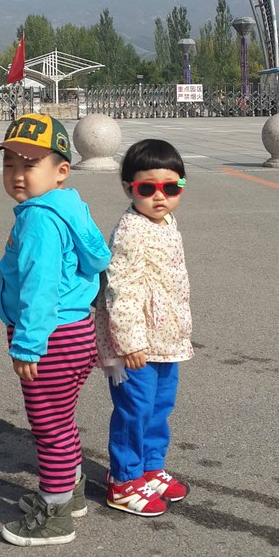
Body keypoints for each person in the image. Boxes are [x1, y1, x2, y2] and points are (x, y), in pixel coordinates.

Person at [0, 112, 111, 547]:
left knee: (48, 427)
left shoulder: (39, 220)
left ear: (60, 171)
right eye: (9, 165)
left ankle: (56, 514)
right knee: (61, 419)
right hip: (76, 333)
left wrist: (27, 345)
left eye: (29, 164)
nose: (17, 175)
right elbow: (95, 265)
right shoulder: (69, 206)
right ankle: (70, 490)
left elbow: (39, 289)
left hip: (50, 337)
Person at [95, 138, 193, 517]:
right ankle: (124, 480)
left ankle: (150, 468)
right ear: (128, 188)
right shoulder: (131, 230)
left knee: (159, 407)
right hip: (135, 345)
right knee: (134, 410)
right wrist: (130, 341)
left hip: (166, 339)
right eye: (146, 188)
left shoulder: (166, 222)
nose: (160, 197)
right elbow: (122, 290)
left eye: (170, 188)